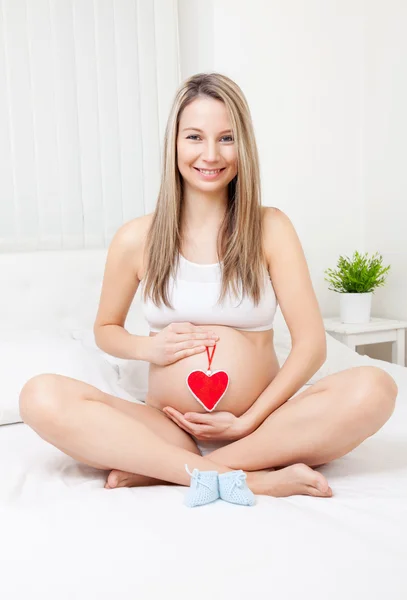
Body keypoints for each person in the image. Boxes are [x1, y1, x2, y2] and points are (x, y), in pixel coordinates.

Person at [19, 73, 398, 507]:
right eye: (195, 137)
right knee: (40, 395)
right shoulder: (136, 238)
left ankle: (169, 470)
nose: (210, 155)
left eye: (226, 138)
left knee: (375, 386)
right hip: (167, 428)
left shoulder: (270, 228)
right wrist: (149, 349)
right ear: (174, 144)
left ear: (244, 146)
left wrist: (247, 421)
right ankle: (245, 479)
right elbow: (106, 328)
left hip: (262, 427)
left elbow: (311, 346)